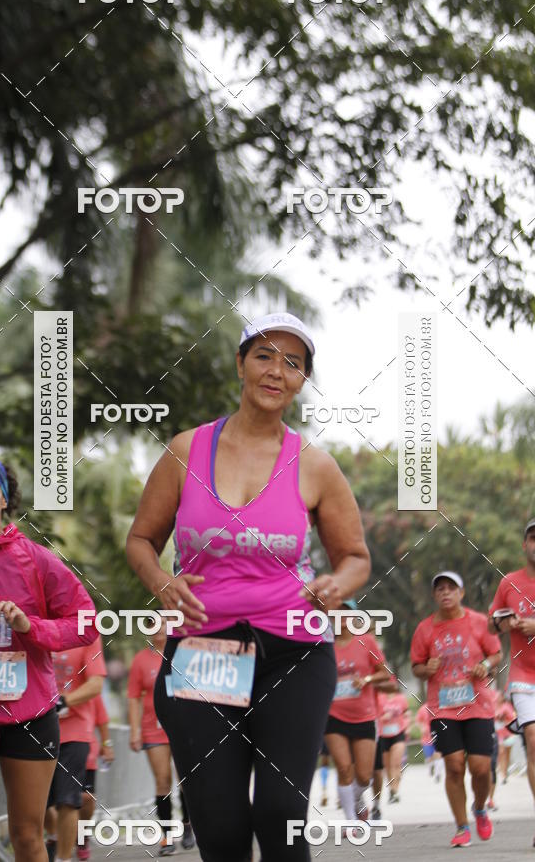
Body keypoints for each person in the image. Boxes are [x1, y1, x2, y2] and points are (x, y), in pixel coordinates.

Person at [125, 312, 371, 862]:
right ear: (240, 364)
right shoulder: (186, 451)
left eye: (293, 363)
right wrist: (162, 582)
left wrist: (337, 583)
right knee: (221, 825)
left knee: (281, 814)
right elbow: (140, 540)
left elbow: (355, 557)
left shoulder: (315, 465)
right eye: (264, 355)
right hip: (204, 652)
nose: (276, 371)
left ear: (303, 380)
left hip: (293, 652)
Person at [0, 452, 98, 862]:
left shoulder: (36, 560)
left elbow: (86, 622)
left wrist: (31, 627)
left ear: (4, 499)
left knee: (26, 836)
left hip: (30, 712)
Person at [411, 570, 501, 848]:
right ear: (434, 596)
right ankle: (462, 826)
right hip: (443, 708)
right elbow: (416, 665)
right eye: (440, 589)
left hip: (478, 704)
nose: (445, 592)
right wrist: (426, 669)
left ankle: (479, 809)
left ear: (461, 592)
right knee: (454, 765)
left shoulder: (477, 622)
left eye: (451, 587)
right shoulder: (425, 629)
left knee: (481, 768)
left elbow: (496, 653)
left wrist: (484, 666)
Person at [128, 625, 195, 855]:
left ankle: (188, 824)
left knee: (185, 779)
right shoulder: (140, 660)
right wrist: (135, 730)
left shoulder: (183, 653)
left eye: (164, 623)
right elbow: (134, 697)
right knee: (163, 781)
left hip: (182, 727)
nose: (159, 629)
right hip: (153, 729)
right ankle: (166, 837)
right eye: (153, 624)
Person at [488, 519, 535, 846]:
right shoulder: (510, 582)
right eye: (533, 537)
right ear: (525, 544)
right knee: (533, 738)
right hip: (523, 676)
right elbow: (492, 625)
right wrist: (503, 622)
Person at [324, 600, 390, 826]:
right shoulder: (324, 645)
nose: (341, 619)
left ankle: (358, 799)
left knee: (364, 776)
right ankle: (350, 821)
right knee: (343, 768)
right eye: (337, 614)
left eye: (346, 614)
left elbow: (385, 674)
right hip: (333, 716)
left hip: (364, 716)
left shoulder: (367, 642)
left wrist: (366, 680)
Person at [45, 635, 107, 862]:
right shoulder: (31, 621)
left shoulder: (87, 632)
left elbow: (96, 684)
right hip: (35, 728)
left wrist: (63, 701)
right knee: (40, 804)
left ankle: (64, 857)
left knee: (69, 800)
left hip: (75, 731)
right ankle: (53, 836)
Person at [76, 693, 114, 861]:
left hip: (86, 749)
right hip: (54, 748)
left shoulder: (90, 687)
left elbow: (102, 719)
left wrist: (107, 745)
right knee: (57, 803)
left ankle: (82, 835)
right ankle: (55, 836)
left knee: (86, 798)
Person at [375, 678, 408, 805]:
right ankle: (391, 789)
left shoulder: (401, 698)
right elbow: (375, 716)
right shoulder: (379, 698)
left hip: (398, 733)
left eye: (393, 684)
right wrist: (384, 717)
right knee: (387, 766)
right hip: (383, 735)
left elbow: (406, 713)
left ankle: (395, 791)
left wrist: (406, 726)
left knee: (396, 764)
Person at [416, 703, 443, 781]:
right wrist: (421, 728)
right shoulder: (423, 708)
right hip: (426, 737)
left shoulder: (440, 706)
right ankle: (431, 766)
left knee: (438, 754)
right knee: (429, 757)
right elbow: (418, 721)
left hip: (438, 735)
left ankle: (438, 774)